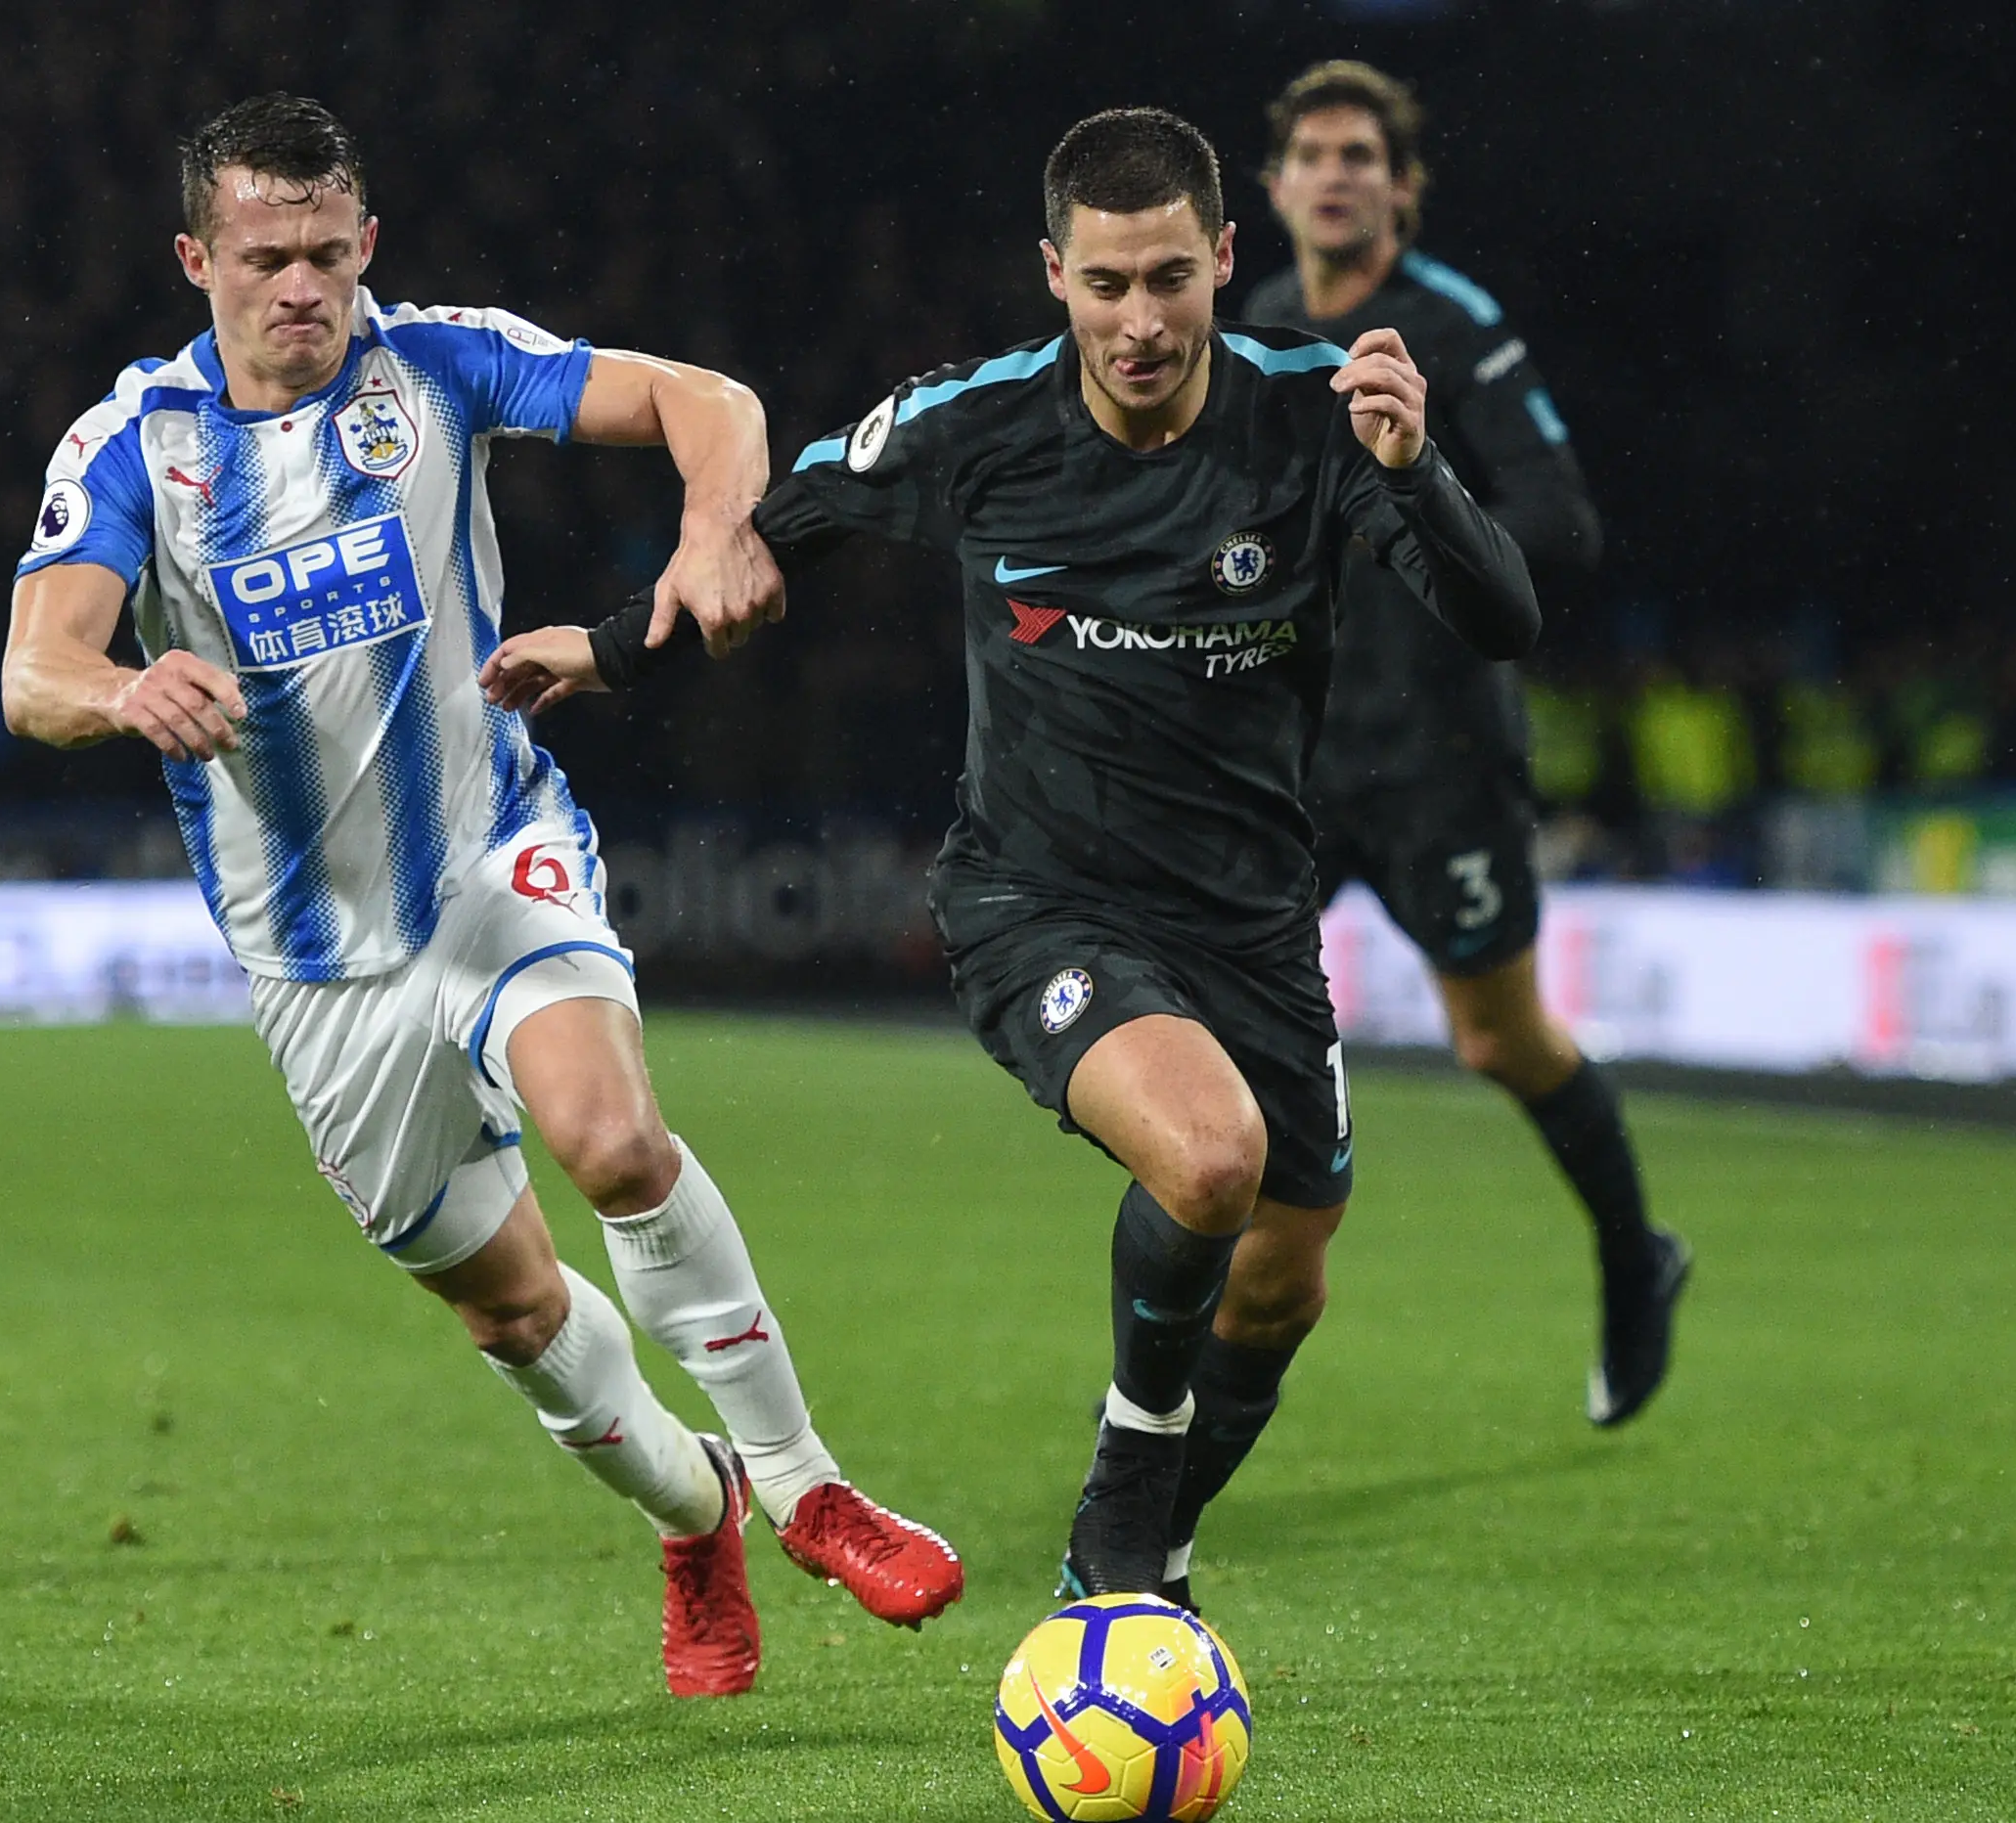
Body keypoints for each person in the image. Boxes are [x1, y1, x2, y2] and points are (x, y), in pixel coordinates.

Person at [483, 108, 1542, 1610]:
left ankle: (1156, 1532)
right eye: (1106, 284)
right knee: (1211, 1155)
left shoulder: (1319, 409)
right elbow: (764, 539)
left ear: (1227, 260)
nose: (1141, 320)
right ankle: (1123, 1508)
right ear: (1055, 274)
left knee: (1288, 1274)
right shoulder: (972, 424)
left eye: (1172, 277)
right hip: (1039, 901)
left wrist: (1421, 467)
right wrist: (605, 648)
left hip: (1249, 920)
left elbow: (1505, 623)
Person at [0, 94, 961, 1697]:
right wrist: (119, 692)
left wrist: (712, 531)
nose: (301, 286)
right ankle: (694, 1505)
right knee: (512, 1311)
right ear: (196, 260)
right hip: (319, 967)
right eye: (263, 259)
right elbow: (37, 665)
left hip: (492, 858)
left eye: (326, 252)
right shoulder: (131, 449)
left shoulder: (434, 360)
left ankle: (803, 1480)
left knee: (610, 1136)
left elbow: (702, 398)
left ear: (365, 243)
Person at [1243, 60, 1689, 1423]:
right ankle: (1198, 1349)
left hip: (1441, 754)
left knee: (1497, 1042)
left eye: (1360, 155)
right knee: (1221, 1037)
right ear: (1274, 186)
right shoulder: (1256, 324)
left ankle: (1634, 1252)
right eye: (1312, 152)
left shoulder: (1456, 328)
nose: (1334, 173)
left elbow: (1562, 526)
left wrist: (1411, 487)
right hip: (1297, 755)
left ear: (1403, 186)